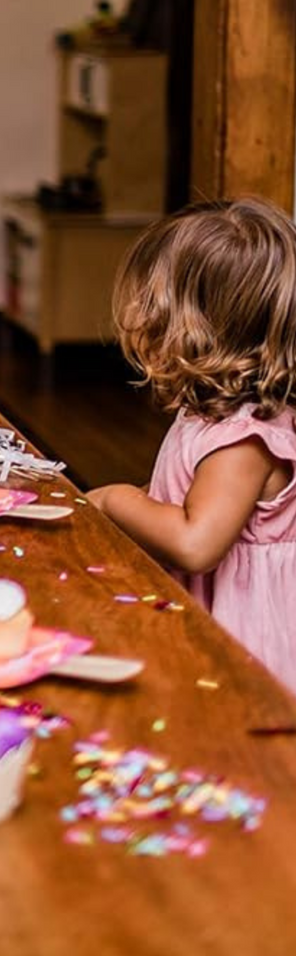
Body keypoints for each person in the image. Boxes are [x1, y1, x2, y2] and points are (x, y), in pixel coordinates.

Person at [87, 198, 296, 693]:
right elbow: (186, 498)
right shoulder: (208, 412)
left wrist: (117, 499)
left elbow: (196, 544)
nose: (137, 316)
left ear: (197, 325)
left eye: (151, 304)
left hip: (247, 634)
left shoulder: (243, 439)